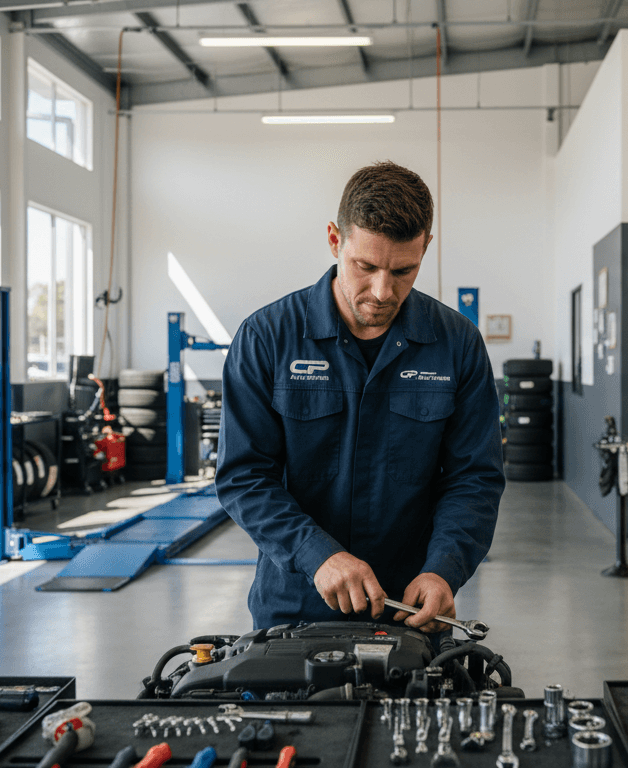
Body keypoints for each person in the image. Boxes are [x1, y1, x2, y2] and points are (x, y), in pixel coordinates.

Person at [215, 161, 505, 635]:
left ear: (426, 248)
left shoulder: (457, 344)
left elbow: (475, 478)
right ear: (335, 240)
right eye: (365, 267)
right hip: (295, 602)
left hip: (411, 607)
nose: (382, 291)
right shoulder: (267, 338)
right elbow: (243, 476)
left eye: (404, 270)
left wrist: (444, 570)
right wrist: (317, 555)